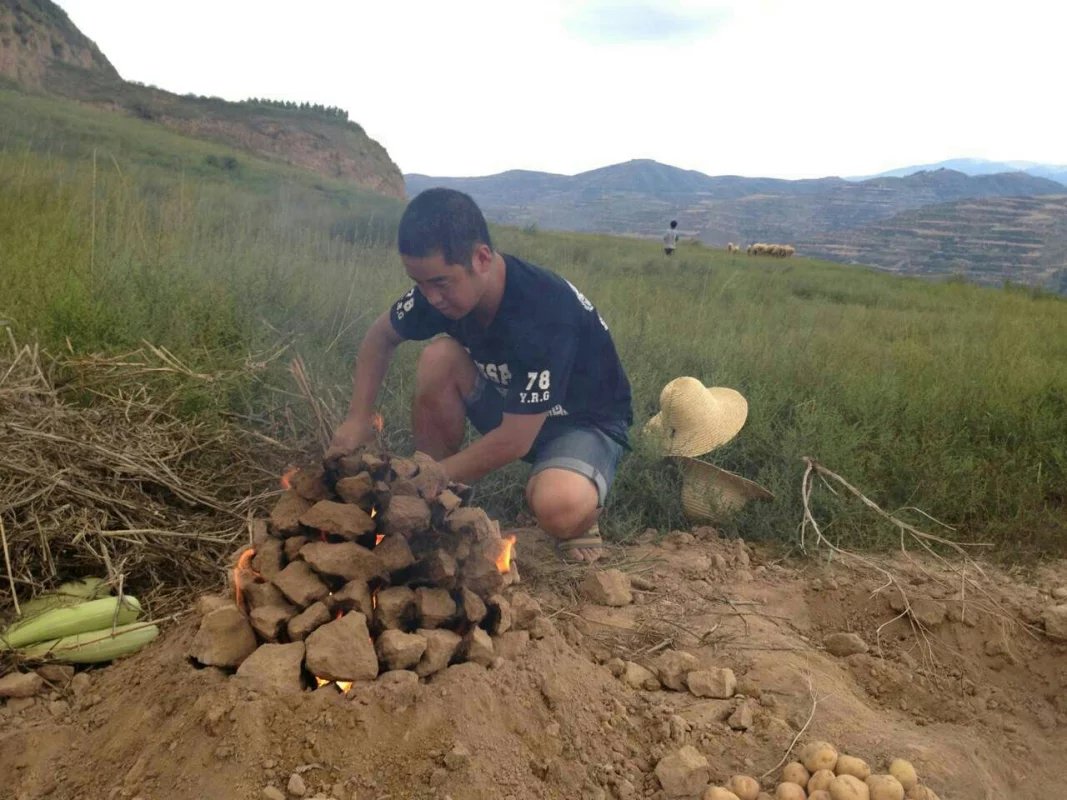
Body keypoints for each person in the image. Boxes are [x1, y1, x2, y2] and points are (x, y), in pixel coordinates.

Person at [327, 188, 633, 563]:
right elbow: (379, 337)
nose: (431, 296)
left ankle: (583, 510)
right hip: (514, 404)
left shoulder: (543, 311)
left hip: (582, 422)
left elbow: (515, 441)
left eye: (440, 282)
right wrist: (359, 416)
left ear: (482, 258)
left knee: (558, 505)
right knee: (438, 358)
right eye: (419, 282)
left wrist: (422, 478)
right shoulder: (439, 293)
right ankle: (439, 507)